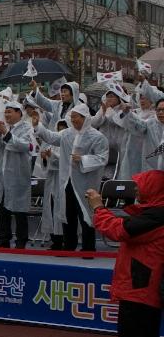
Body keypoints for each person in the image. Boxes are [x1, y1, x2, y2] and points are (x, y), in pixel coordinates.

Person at [88, 174, 164, 337]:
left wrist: (99, 207)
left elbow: (118, 230)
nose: (136, 190)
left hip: (140, 288)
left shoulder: (155, 216)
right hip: (144, 288)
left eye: (142, 186)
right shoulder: (153, 212)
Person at [36, 103, 109, 252]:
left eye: (76, 117)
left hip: (86, 184)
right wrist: (38, 126)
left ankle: (89, 249)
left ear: (85, 118)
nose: (74, 120)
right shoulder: (66, 134)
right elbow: (51, 137)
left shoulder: (97, 137)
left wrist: (83, 159)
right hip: (66, 182)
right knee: (67, 215)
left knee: (85, 216)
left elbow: (102, 158)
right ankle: (69, 247)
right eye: (72, 117)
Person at [0, 102, 36, 249]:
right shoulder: (4, 129)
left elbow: (25, 146)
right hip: (2, 174)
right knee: (3, 208)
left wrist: (6, 133)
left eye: (10, 112)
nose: (7, 115)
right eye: (5, 112)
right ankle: (3, 239)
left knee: (20, 209)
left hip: (18, 174)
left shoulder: (27, 128)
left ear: (19, 113)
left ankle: (21, 240)